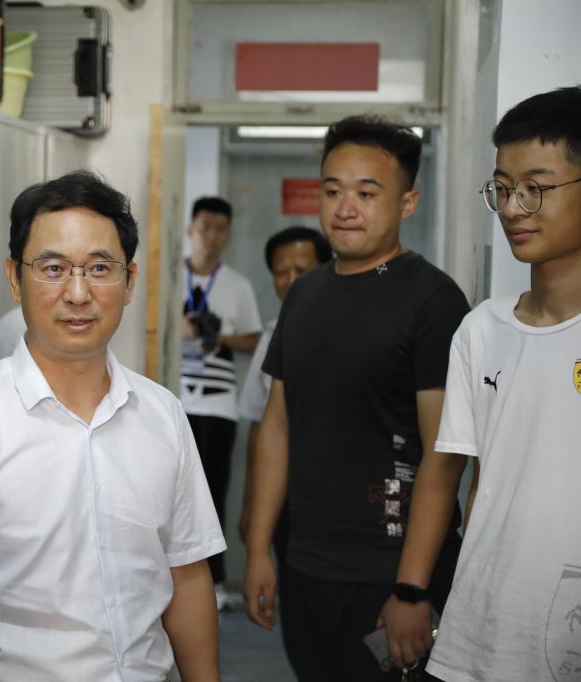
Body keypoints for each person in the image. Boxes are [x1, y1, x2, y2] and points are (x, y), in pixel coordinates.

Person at [0, 171, 225, 682]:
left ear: (130, 280)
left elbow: (185, 574)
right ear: (15, 278)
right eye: (53, 269)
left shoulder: (163, 415)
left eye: (99, 268)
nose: (78, 293)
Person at [243, 115, 471, 681]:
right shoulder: (304, 295)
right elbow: (277, 425)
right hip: (307, 563)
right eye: (333, 191)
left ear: (408, 202)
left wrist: (412, 589)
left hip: (389, 571)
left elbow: (443, 455)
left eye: (367, 193)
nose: (346, 208)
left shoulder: (433, 301)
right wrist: (259, 549)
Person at [390, 86, 581, 682]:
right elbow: (462, 477)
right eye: (502, 188)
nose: (513, 208)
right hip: (480, 629)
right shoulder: (482, 329)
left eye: (536, 188)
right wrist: (412, 590)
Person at [236, 226, 332, 663]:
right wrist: (251, 509)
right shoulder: (273, 336)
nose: (291, 281)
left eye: (302, 270)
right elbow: (260, 426)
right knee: (298, 611)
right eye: (281, 272)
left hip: (343, 502)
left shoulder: (351, 326)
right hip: (286, 501)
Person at [181, 196, 262, 608]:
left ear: (228, 234)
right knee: (172, 491)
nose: (210, 236)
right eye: (204, 227)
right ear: (190, 229)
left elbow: (254, 338)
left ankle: (213, 580)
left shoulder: (237, 285)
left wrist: (218, 336)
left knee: (213, 492)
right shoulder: (170, 276)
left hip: (218, 404)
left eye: (219, 229)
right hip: (176, 398)